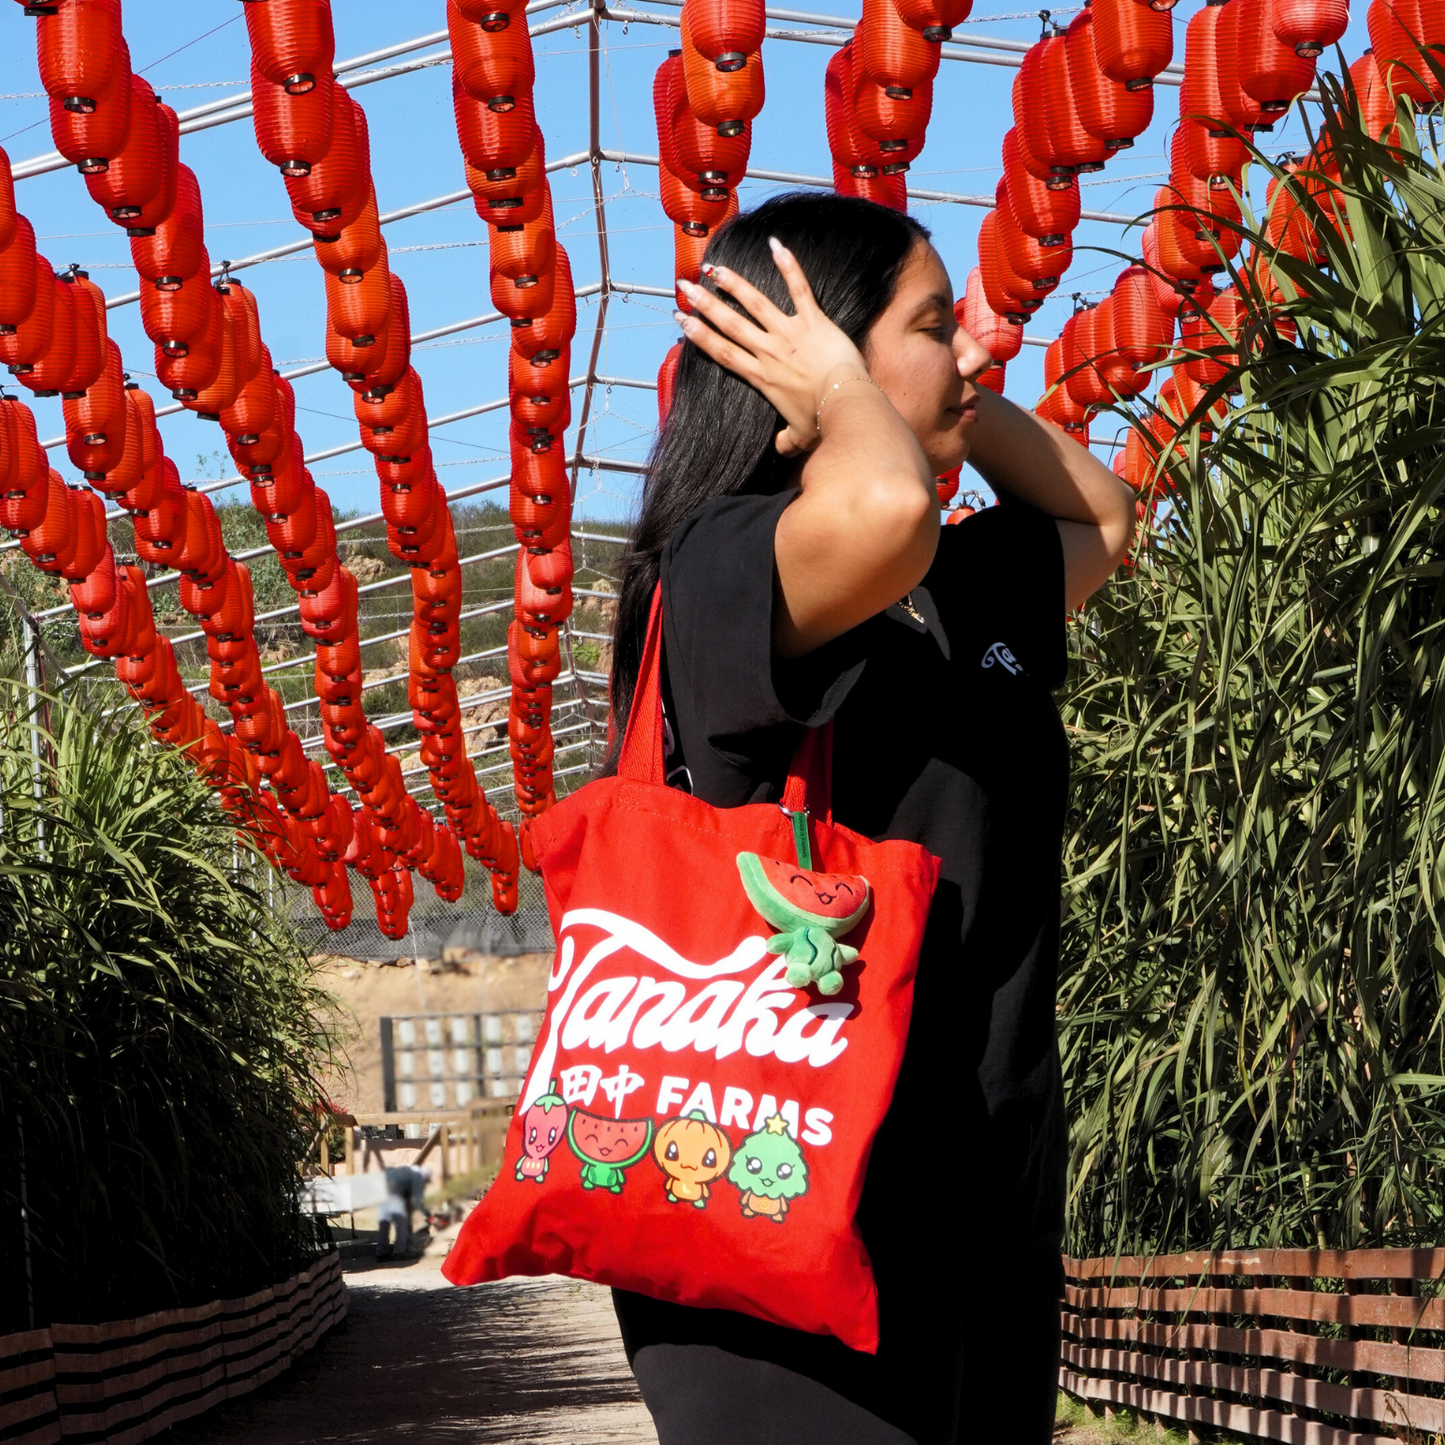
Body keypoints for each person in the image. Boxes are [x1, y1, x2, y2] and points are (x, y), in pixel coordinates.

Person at [604, 192, 1134, 1445]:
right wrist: (847, 395)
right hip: (789, 1194)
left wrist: (938, 394)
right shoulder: (734, 562)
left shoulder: (948, 596)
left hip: (977, 1199)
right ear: (816, 351)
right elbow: (885, 516)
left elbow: (1100, 519)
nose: (978, 348)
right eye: (935, 323)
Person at [375, 1163, 431, 1261]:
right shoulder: (417, 1176)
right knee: (401, 1225)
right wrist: (428, 1215)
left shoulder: (398, 1170)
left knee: (384, 1224)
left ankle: (381, 1253)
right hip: (394, 1195)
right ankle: (399, 1252)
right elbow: (418, 1201)